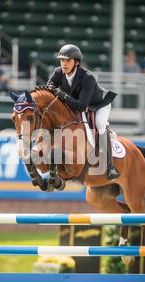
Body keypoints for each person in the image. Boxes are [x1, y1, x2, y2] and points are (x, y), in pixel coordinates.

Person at [46, 44, 120, 180]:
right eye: (62, 60)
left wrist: (62, 95)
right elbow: (48, 88)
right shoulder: (57, 73)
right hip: (75, 105)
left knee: (100, 124)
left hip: (97, 105)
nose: (64, 64)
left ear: (77, 62)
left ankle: (110, 165)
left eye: (68, 60)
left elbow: (81, 106)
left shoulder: (88, 77)